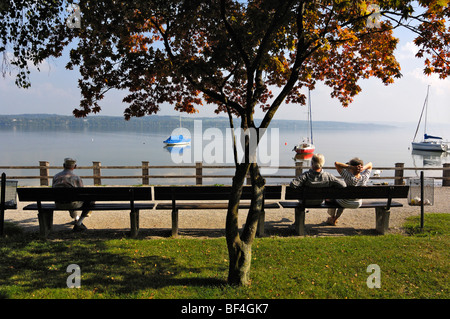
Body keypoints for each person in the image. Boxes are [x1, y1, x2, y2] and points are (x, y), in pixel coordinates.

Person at [327, 157, 373, 225]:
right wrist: (362, 168)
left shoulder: (348, 177)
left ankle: (332, 217)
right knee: (343, 198)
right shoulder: (364, 177)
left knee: (331, 199)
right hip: (357, 203)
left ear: (351, 168)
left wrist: (349, 166)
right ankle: (335, 218)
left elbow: (337, 164)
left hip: (345, 202)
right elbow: (370, 164)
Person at [52, 158, 91, 231]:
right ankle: (79, 223)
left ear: (63, 165)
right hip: (72, 204)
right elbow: (81, 192)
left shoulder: (56, 176)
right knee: (89, 201)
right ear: (75, 166)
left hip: (58, 204)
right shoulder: (76, 178)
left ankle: (76, 218)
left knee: (69, 197)